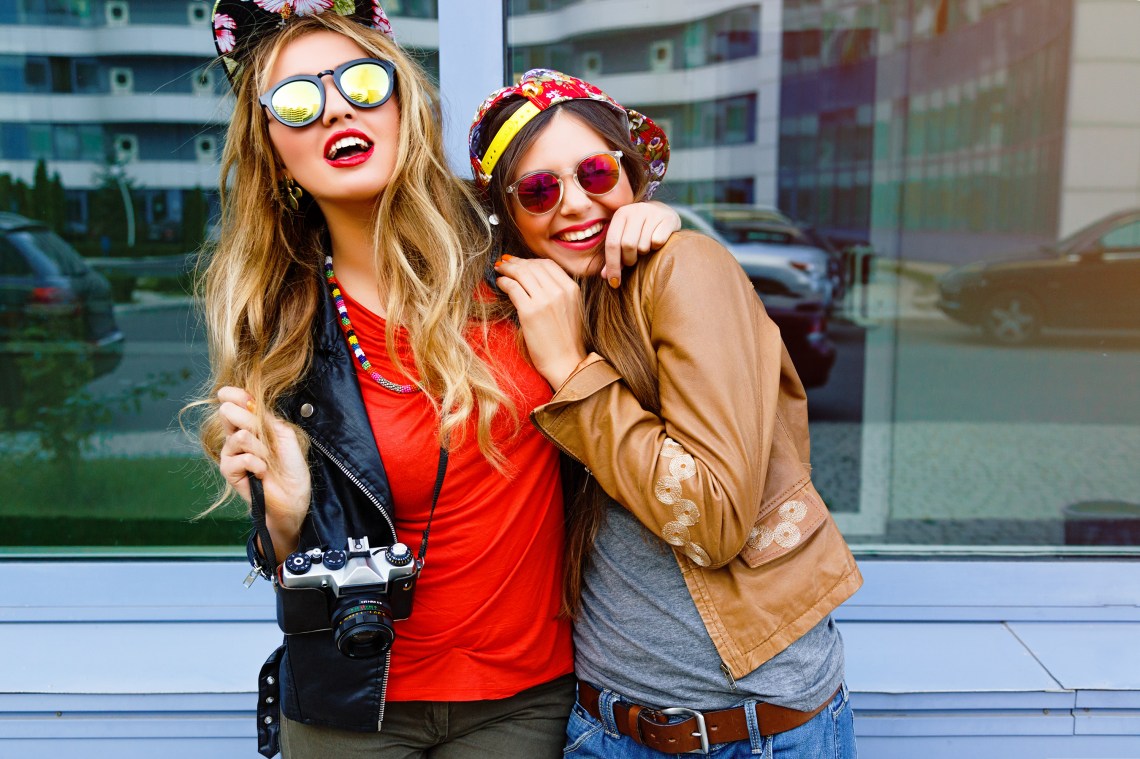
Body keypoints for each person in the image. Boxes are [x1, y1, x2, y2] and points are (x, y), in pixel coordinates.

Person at [197, 5, 680, 758]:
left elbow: (603, 222)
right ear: (274, 151)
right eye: (297, 100)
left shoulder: (518, 250)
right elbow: (294, 555)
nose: (337, 110)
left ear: (404, 105)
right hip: (349, 705)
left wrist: (651, 229)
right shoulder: (277, 317)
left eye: (361, 83)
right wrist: (286, 524)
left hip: (523, 700)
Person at [468, 69, 865, 758]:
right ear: (506, 213)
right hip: (602, 724)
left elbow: (712, 520)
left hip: (751, 732)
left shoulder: (684, 268)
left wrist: (572, 372)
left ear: (630, 171)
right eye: (538, 189)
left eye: (596, 172)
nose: (575, 203)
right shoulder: (537, 307)